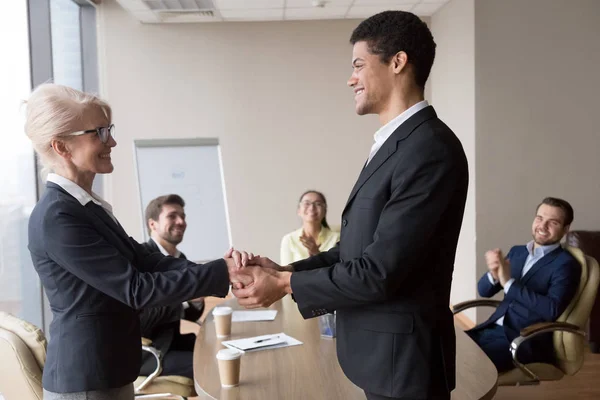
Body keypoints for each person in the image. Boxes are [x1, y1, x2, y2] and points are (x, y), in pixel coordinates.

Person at [233, 11, 468, 400]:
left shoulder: (429, 149)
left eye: (359, 65)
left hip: (404, 365)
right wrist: (286, 268)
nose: (350, 78)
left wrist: (285, 284)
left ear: (397, 62)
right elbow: (354, 250)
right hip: (381, 360)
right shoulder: (397, 144)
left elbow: (378, 272)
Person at [24, 83, 253, 400]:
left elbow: (147, 260)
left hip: (109, 368)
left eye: (109, 130)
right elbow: (136, 289)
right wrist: (223, 273)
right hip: (86, 380)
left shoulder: (85, 207)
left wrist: (223, 267)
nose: (112, 141)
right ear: (62, 147)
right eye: (99, 133)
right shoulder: (58, 217)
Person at [467, 197, 581, 372]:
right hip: (489, 330)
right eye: (540, 218)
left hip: (522, 341)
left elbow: (552, 309)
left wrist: (509, 283)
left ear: (566, 229)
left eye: (553, 222)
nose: (542, 226)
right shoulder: (518, 252)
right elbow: (483, 291)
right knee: (435, 348)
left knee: (460, 363)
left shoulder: (565, 265)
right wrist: (494, 273)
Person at [138, 194, 205, 379]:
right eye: (172, 216)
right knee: (213, 367)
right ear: (153, 224)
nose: (181, 221)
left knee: (224, 352)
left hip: (172, 343)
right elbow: (142, 317)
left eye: (183, 216)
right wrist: (183, 300)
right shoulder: (142, 259)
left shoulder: (180, 259)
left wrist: (196, 302)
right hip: (147, 352)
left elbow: (190, 315)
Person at [280, 190, 340, 265]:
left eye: (318, 204)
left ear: (325, 211)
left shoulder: (337, 238)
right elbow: (285, 272)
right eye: (306, 203)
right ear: (299, 210)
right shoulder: (289, 239)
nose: (312, 208)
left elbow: (338, 271)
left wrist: (316, 253)